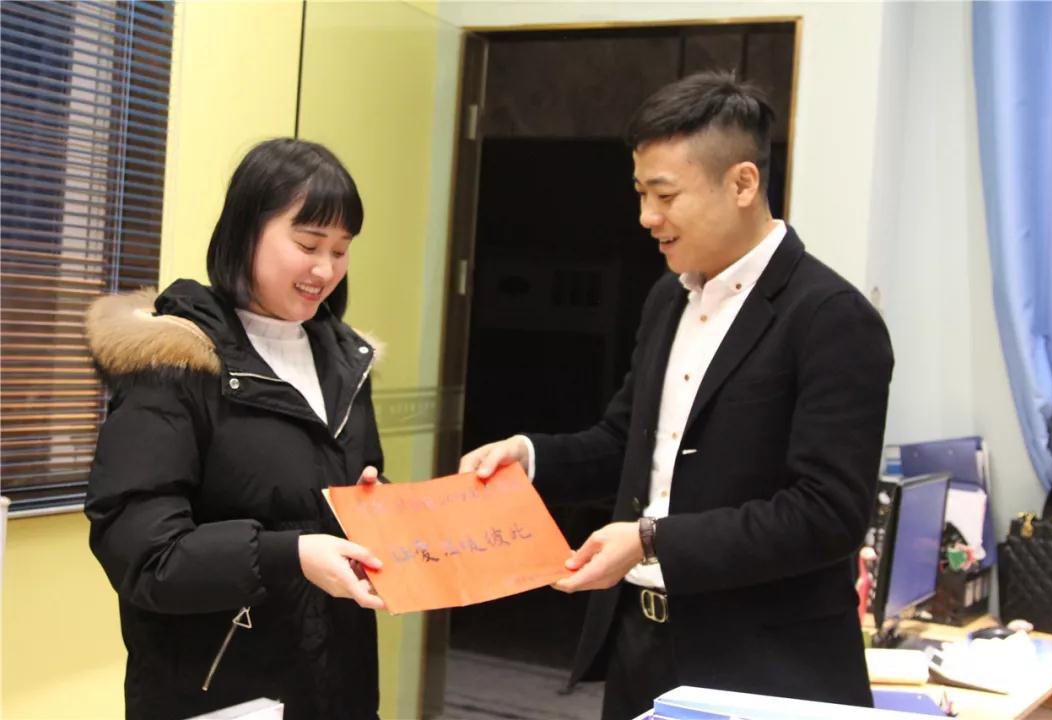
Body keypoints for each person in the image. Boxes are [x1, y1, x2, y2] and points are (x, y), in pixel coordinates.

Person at [460, 71, 894, 719]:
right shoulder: (669, 297)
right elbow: (626, 443)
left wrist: (651, 539)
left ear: (742, 183)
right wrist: (530, 457)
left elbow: (826, 514)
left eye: (665, 195)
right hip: (642, 644)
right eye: (641, 193)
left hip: (763, 666)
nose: (646, 218)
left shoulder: (830, 317)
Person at [85, 138, 386, 719]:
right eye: (308, 245)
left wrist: (387, 515)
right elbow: (145, 556)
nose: (326, 269)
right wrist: (288, 554)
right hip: (221, 696)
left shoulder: (347, 361)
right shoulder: (175, 361)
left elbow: (331, 504)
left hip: (336, 688)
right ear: (246, 231)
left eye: (342, 249)